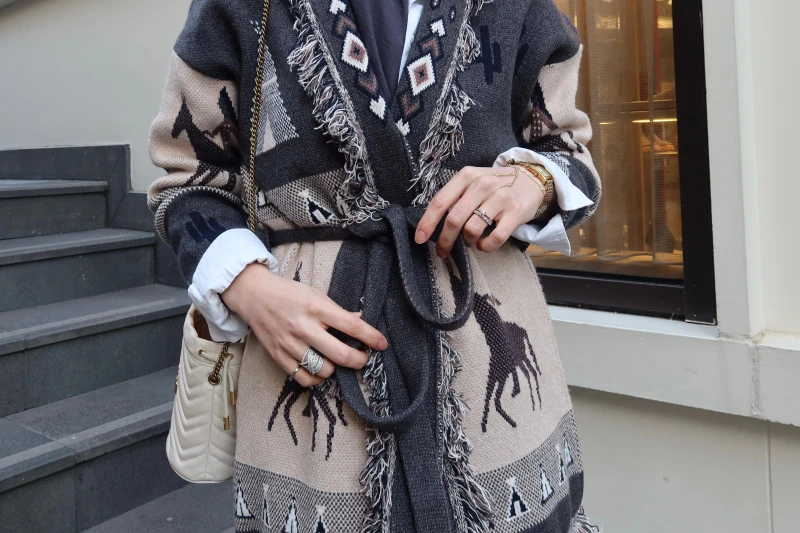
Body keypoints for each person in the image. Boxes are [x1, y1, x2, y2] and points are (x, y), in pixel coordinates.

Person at [148, 0, 602, 531]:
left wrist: (533, 181)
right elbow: (187, 180)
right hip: (308, 355)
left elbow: (568, 148)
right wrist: (248, 289)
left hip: (485, 352)